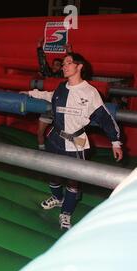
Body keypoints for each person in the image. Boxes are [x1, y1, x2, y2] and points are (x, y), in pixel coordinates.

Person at [23, 53, 123, 230]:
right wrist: (31, 93)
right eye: (63, 64)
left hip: (76, 141)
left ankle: (66, 212)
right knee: (52, 173)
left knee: (73, 180)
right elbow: (49, 95)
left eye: (69, 63)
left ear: (80, 66)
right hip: (55, 137)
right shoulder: (61, 88)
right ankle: (58, 198)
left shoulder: (90, 93)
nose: (64, 66)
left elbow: (105, 118)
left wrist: (115, 142)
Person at [36, 38, 73, 150]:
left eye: (58, 65)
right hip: (48, 107)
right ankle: (41, 150)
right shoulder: (49, 74)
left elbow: (71, 63)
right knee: (39, 132)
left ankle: (78, 148)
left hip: (61, 108)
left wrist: (69, 51)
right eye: (54, 65)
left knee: (65, 134)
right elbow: (43, 63)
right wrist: (39, 48)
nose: (55, 66)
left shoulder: (64, 75)